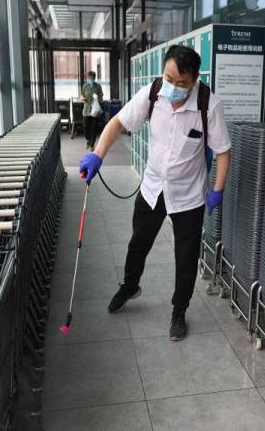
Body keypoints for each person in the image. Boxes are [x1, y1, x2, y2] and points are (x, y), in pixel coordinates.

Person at [79, 45, 231, 341]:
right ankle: (129, 285)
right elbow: (117, 122)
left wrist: (217, 191)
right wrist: (97, 155)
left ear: (194, 78)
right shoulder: (153, 93)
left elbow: (223, 152)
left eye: (181, 83)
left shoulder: (208, 104)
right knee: (138, 243)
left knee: (186, 257)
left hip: (189, 195)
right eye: (169, 77)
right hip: (152, 188)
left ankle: (179, 311)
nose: (173, 87)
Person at [81, 71, 104, 151]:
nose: (90, 79)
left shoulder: (98, 86)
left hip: (95, 111)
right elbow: (82, 95)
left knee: (94, 128)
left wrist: (98, 99)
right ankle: (88, 140)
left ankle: (91, 145)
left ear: (94, 78)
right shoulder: (85, 86)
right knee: (85, 127)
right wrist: (82, 98)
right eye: (89, 78)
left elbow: (101, 97)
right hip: (86, 110)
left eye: (92, 78)